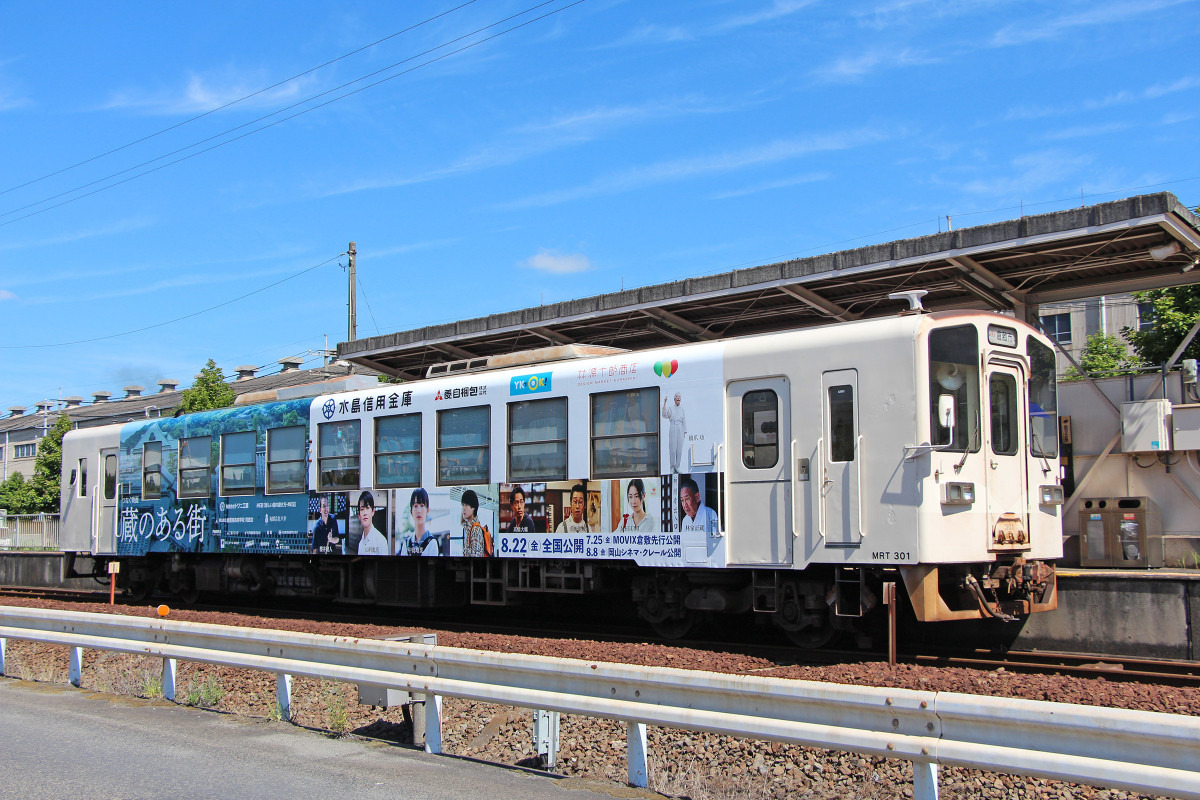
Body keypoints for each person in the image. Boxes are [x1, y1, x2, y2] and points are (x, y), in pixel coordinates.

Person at [400, 487, 441, 555]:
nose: (419, 511)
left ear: (427, 510)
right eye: (415, 506)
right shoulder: (407, 543)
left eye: (422, 506)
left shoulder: (432, 542)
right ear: (411, 512)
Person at [461, 489, 493, 557]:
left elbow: (476, 557)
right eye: (463, 505)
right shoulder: (470, 529)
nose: (463, 508)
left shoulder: (475, 530)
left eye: (466, 505)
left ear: (473, 507)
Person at [356, 490, 388, 556]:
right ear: (359, 515)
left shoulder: (381, 540)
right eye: (362, 509)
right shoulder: (361, 543)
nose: (365, 513)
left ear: (373, 511)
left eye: (367, 508)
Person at [662, 392, 686, 473]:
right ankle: (672, 466)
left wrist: (684, 431)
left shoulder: (682, 409)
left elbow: (684, 420)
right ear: (674, 399)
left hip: (680, 427)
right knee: (672, 448)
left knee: (679, 449)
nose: (678, 398)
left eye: (679, 397)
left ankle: (677, 466)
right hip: (673, 426)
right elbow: (665, 415)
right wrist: (664, 402)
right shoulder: (671, 408)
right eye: (677, 397)